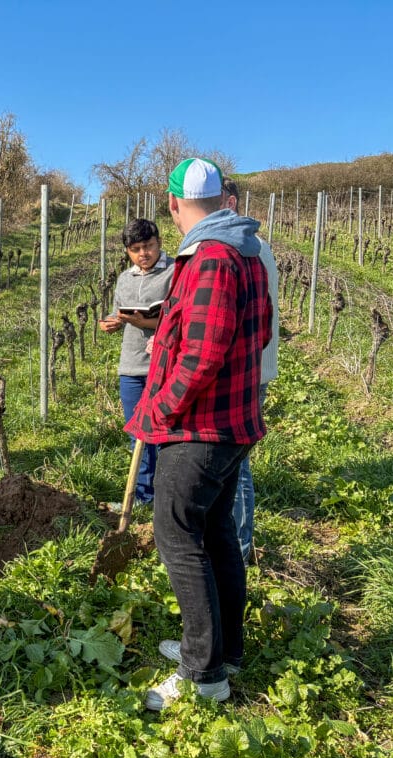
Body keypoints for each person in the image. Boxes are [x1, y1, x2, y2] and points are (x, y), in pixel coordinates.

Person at [125, 158, 271, 710]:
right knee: (215, 536)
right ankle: (222, 648)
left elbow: (203, 353)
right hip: (233, 422)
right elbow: (258, 336)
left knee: (176, 534)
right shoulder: (245, 251)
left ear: (172, 204)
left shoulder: (209, 258)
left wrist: (160, 407)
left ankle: (203, 674)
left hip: (202, 427)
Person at [223, 178, 279, 564]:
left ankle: (239, 550)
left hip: (244, 372)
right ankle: (233, 545)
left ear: (229, 201)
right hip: (252, 368)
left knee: (235, 464)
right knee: (234, 461)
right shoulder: (254, 245)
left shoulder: (245, 248)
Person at [99, 218, 173, 507]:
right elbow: (120, 313)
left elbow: (182, 318)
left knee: (166, 433)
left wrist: (149, 322)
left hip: (164, 365)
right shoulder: (124, 279)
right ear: (127, 251)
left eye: (149, 246)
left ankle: (167, 495)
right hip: (131, 365)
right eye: (136, 249)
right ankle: (142, 496)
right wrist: (113, 322)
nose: (143, 253)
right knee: (137, 432)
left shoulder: (175, 272)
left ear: (159, 242)